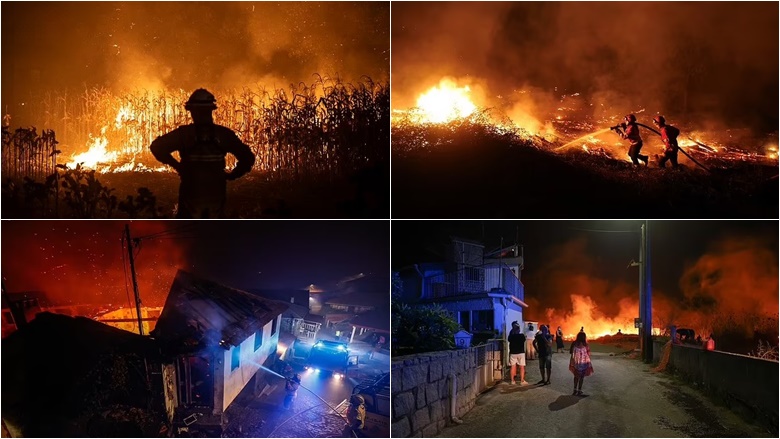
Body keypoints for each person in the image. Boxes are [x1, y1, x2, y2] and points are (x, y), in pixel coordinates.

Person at [150, 88, 256, 218]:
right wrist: (232, 175)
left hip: (191, 192)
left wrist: (177, 166)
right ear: (211, 110)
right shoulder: (224, 134)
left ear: (192, 111)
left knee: (189, 230)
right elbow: (247, 158)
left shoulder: (183, 134)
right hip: (216, 193)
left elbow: (157, 147)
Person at [569, 331, 594, 396]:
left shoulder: (574, 344)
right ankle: (579, 390)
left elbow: (571, 352)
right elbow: (588, 354)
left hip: (576, 363)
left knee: (576, 376)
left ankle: (575, 389)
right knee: (581, 377)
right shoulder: (586, 345)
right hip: (584, 363)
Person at [507, 321, 528, 385]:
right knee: (522, 367)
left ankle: (512, 381)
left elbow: (509, 339)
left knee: (513, 367)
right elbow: (524, 339)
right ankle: (522, 381)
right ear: (518, 329)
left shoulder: (511, 336)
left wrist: (513, 330)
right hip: (521, 353)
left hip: (513, 353)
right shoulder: (521, 336)